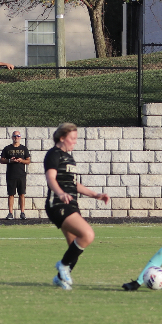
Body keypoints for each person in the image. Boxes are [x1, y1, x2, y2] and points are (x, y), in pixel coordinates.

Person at [44, 122, 110, 290]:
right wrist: (60, 193)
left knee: (74, 246)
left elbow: (74, 184)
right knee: (87, 235)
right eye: (72, 138)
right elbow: (51, 178)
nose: (75, 141)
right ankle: (63, 266)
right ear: (62, 138)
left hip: (71, 203)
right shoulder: (53, 154)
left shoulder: (69, 157)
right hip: (58, 204)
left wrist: (95, 195)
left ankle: (60, 278)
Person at [0, 130, 31, 219]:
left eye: (18, 136)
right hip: (11, 174)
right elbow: (1, 160)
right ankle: (10, 213)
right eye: (15, 136)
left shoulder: (24, 149)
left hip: (21, 174)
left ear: (20, 137)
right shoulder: (7, 148)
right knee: (11, 194)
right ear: (12, 137)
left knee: (22, 194)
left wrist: (21, 160)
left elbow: (28, 161)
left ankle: (22, 212)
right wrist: (10, 160)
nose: (16, 137)